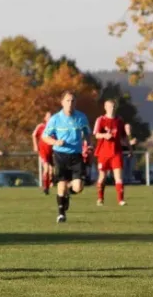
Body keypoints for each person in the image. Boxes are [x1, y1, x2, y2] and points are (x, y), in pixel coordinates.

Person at [42, 91, 92, 223]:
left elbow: (87, 133)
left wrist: (89, 144)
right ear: (62, 102)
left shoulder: (81, 117)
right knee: (62, 184)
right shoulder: (55, 119)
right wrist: (55, 142)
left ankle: (68, 195)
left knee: (78, 187)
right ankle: (61, 213)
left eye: (72, 101)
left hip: (76, 155)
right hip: (60, 154)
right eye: (67, 101)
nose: (70, 103)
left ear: (75, 102)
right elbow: (45, 136)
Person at [93, 99, 133, 206]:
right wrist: (104, 135)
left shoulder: (119, 120)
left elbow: (124, 137)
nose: (112, 109)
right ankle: (100, 198)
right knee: (102, 176)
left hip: (116, 152)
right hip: (103, 153)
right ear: (105, 107)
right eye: (110, 107)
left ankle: (121, 200)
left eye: (114, 107)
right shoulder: (101, 120)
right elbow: (96, 134)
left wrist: (129, 148)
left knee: (118, 177)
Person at [32, 112, 54, 195]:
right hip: (43, 151)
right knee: (46, 169)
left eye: (51, 117)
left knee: (52, 171)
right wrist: (35, 145)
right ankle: (46, 188)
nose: (50, 118)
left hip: (52, 151)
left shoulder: (54, 127)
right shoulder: (41, 126)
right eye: (48, 117)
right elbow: (34, 135)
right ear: (45, 118)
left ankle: (50, 183)